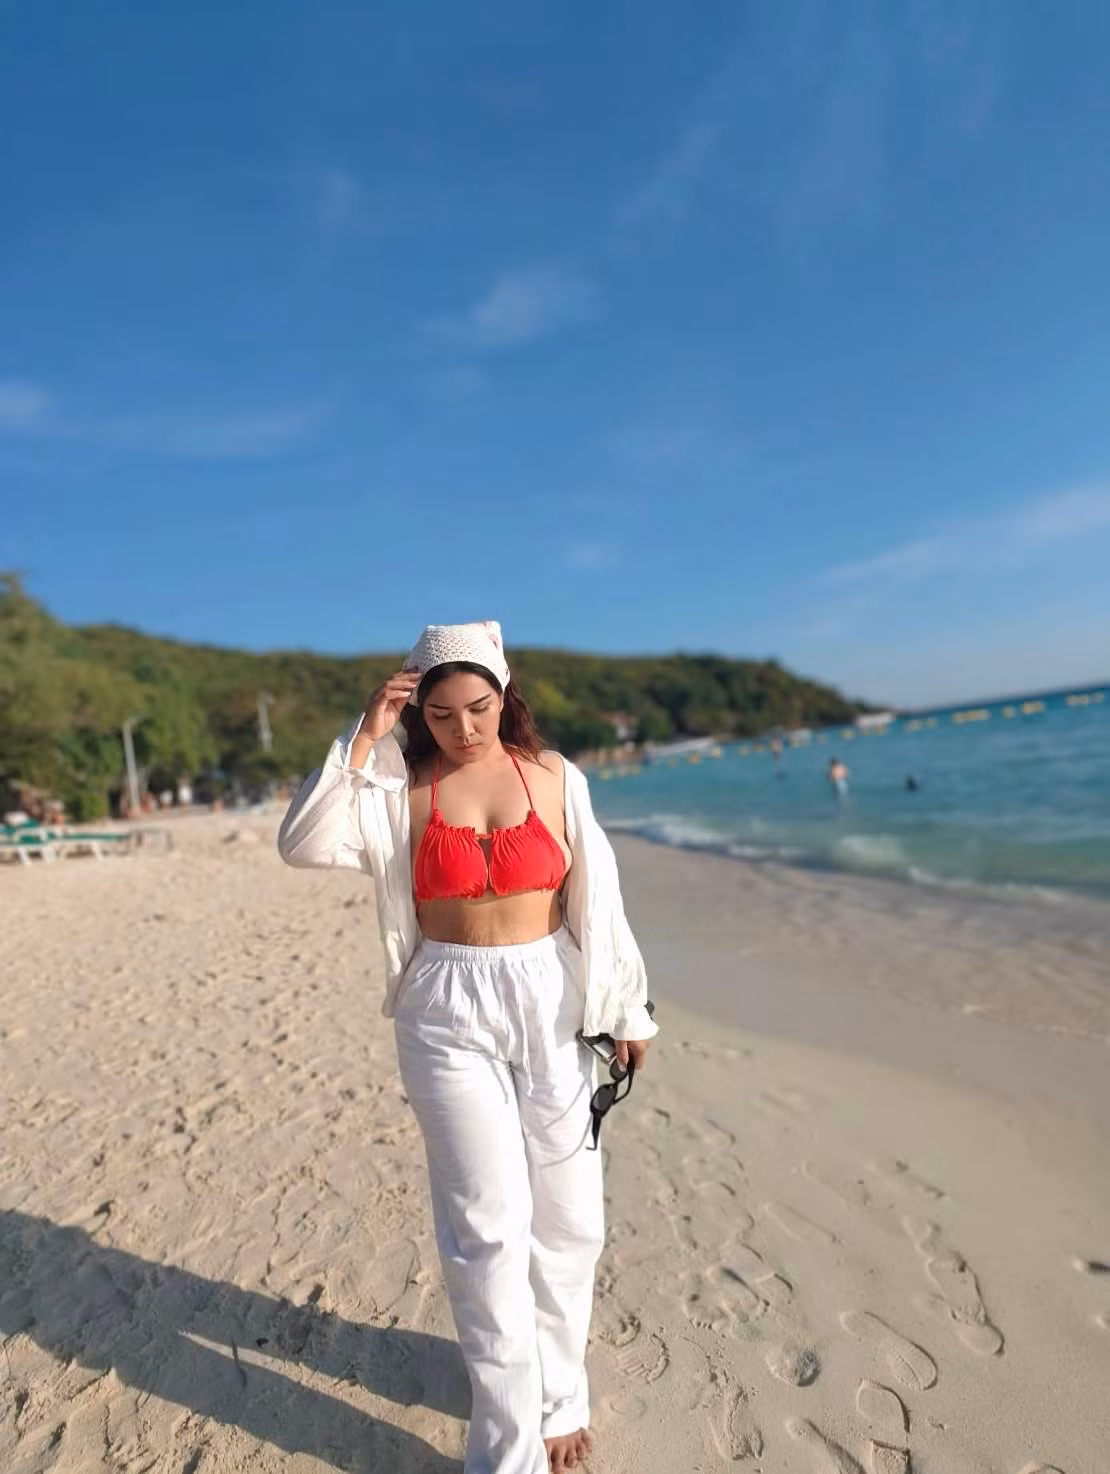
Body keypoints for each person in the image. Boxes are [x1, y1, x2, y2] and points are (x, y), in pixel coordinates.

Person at [277, 620, 657, 1474]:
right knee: (486, 1228)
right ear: (419, 713)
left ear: (504, 695)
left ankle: (560, 1396)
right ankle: (508, 1447)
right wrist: (365, 734)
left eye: (479, 708)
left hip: (552, 998)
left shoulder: (555, 775)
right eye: (442, 714)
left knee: (571, 1223)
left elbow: (601, 899)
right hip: (445, 1007)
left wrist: (630, 1010)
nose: (464, 728)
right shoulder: (397, 786)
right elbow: (301, 843)